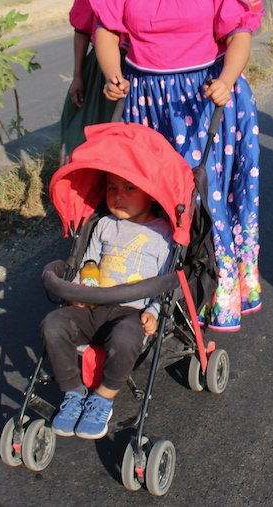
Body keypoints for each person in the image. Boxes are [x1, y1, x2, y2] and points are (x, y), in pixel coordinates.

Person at [89, 0, 264, 332]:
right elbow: (104, 28)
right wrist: (112, 74)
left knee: (205, 198)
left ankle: (217, 294)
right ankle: (151, 290)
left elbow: (240, 33)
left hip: (204, 98)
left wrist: (228, 79)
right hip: (146, 97)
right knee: (153, 198)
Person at [41, 172, 170, 439]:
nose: (118, 195)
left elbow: (165, 282)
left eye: (129, 187)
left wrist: (154, 312)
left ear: (151, 192)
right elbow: (88, 265)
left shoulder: (163, 234)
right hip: (93, 305)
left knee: (126, 337)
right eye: (111, 188)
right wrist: (76, 291)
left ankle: (103, 398)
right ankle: (73, 392)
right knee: (53, 324)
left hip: (131, 312)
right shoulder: (104, 225)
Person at [59, 0, 133, 165]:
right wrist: (78, 76)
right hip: (101, 72)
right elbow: (82, 29)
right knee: (91, 140)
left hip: (143, 68)